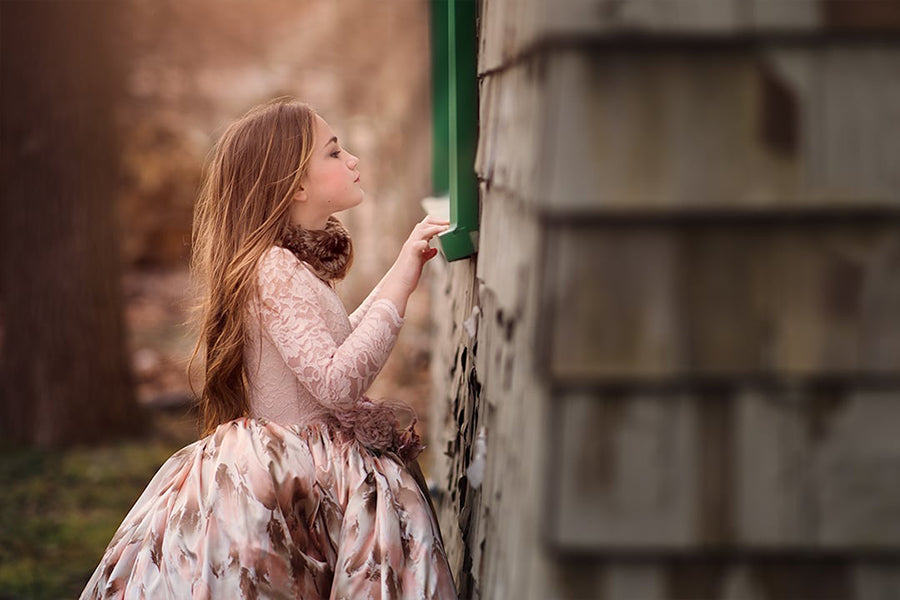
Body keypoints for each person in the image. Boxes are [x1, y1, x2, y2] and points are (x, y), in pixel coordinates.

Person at [80, 97, 458, 599]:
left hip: (298, 460)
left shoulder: (287, 265)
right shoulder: (274, 268)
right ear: (296, 185)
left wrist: (403, 269)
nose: (353, 161)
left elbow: (339, 342)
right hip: (288, 472)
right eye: (333, 152)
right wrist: (402, 285)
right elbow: (337, 383)